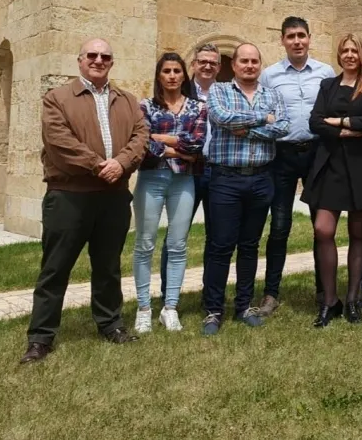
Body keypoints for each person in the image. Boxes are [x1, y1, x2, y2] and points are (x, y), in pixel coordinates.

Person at [20, 39, 148, 364]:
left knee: (108, 266)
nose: (98, 60)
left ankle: (111, 324)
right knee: (55, 268)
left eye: (105, 56)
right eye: (92, 55)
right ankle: (40, 338)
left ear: (112, 62)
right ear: (80, 60)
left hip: (113, 197)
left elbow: (140, 137)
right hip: (69, 196)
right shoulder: (58, 98)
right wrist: (98, 165)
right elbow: (58, 140)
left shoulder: (127, 101)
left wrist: (121, 163)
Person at [303, 34, 362, 327]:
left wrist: (340, 121)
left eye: (354, 50)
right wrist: (347, 131)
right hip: (331, 164)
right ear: (339, 55)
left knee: (358, 232)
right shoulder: (327, 85)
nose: (349, 55)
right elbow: (315, 121)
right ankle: (330, 301)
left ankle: (353, 299)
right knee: (323, 229)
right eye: (345, 50)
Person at [202, 43, 289, 334]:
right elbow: (221, 117)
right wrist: (263, 118)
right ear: (234, 65)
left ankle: (243, 306)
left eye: (254, 61)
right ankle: (213, 310)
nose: (250, 66)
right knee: (221, 246)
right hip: (226, 179)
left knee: (250, 245)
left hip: (261, 179)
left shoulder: (272, 94)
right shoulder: (219, 91)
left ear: (260, 65)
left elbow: (283, 126)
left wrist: (247, 129)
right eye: (244, 61)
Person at [258, 17, 335, 316]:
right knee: (279, 226)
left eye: (301, 35)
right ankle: (271, 293)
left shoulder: (325, 73)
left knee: (321, 227)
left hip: (317, 153)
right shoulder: (270, 75)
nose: (297, 41)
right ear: (282, 40)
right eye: (291, 36)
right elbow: (263, 112)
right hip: (282, 155)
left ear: (309, 38)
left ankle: (323, 289)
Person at [133, 53, 207, 333]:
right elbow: (144, 144)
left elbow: (197, 144)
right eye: (167, 71)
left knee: (177, 244)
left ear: (184, 75)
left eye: (177, 70)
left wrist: (163, 140)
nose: (173, 76)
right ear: (159, 75)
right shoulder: (146, 106)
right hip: (151, 178)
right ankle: (143, 308)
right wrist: (181, 150)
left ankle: (170, 307)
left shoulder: (198, 107)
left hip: (183, 181)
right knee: (145, 243)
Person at [159, 43, 221, 298]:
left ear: (219, 67)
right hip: (187, 169)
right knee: (176, 233)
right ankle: (168, 295)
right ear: (193, 65)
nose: (207, 66)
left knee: (216, 236)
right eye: (202, 61)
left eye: (213, 62)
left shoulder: (225, 93)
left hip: (218, 170)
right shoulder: (180, 93)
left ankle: (211, 296)